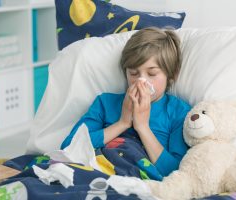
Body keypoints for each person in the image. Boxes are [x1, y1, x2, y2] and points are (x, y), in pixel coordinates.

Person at [61, 27, 191, 178]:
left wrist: (142, 127)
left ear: (171, 74)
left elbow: (177, 173)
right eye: (134, 73)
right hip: (98, 172)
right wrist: (122, 123)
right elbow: (69, 147)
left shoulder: (178, 112)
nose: (141, 81)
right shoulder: (105, 103)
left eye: (152, 73)